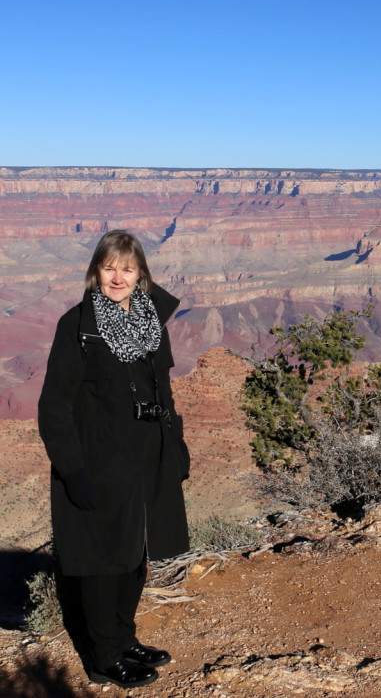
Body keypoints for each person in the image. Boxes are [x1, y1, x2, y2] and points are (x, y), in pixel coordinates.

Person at [37, 230, 190, 689]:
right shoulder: (78, 326)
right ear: (95, 272)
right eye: (109, 267)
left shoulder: (150, 319)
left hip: (147, 451)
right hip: (98, 458)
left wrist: (176, 445)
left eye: (127, 267)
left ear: (140, 272)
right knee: (104, 559)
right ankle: (104, 658)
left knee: (134, 552)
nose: (118, 276)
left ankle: (124, 639)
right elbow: (54, 406)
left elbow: (165, 388)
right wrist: (73, 470)